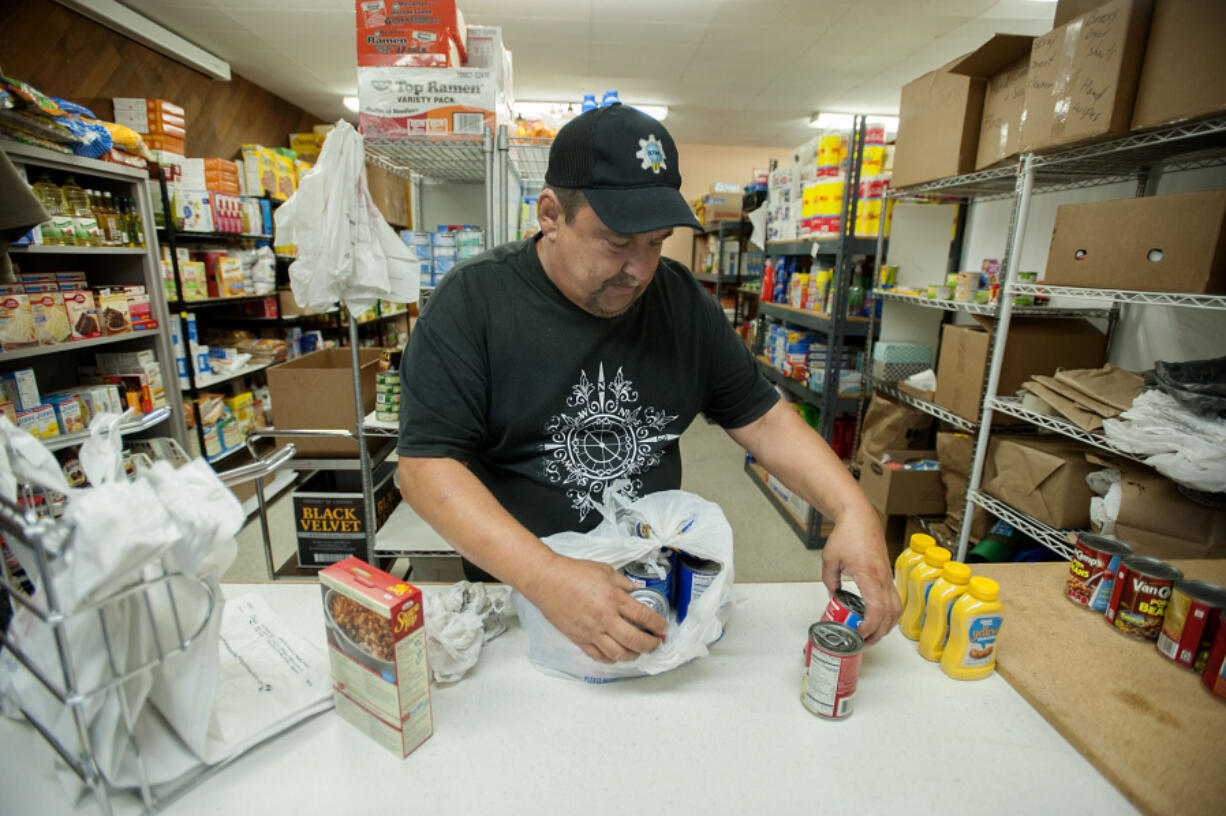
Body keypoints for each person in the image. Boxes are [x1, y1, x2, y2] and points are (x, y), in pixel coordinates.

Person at [397, 104, 900, 666]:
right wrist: (546, 576)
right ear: (550, 215)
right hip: (521, 599)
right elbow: (426, 468)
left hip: (656, 591)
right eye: (617, 242)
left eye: (656, 242)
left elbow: (763, 417)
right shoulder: (474, 302)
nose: (640, 269)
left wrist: (854, 510)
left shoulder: (682, 303)